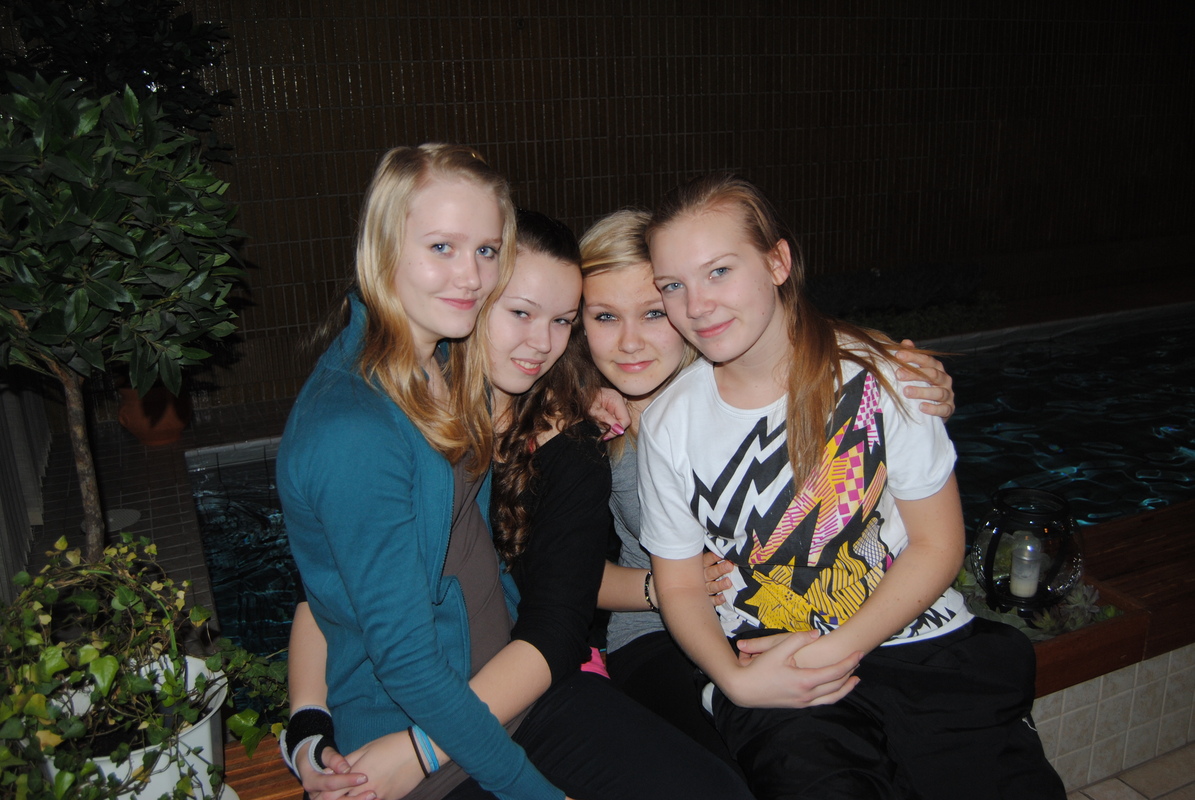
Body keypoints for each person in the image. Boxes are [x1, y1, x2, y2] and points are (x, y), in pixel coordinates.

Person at [281, 178, 754, 800]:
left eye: (561, 321)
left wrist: (422, 748)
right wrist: (307, 726)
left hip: (520, 689)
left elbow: (556, 625)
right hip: (435, 710)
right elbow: (330, 586)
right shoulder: (410, 410)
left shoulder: (569, 444)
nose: (541, 343)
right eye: (520, 312)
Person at [636, 173, 1065, 800]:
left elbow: (937, 545)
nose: (696, 305)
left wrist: (833, 650)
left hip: (918, 641)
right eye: (673, 285)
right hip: (772, 664)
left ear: (778, 262)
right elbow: (677, 583)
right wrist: (732, 678)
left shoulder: (883, 377)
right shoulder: (670, 423)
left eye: (719, 271)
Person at [577, 209, 959, 772]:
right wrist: (664, 587)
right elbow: (559, 576)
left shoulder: (738, 380)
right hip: (658, 629)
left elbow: (845, 382)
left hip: (786, 616)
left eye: (655, 311)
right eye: (605, 316)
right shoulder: (577, 422)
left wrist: (922, 386)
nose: (630, 342)